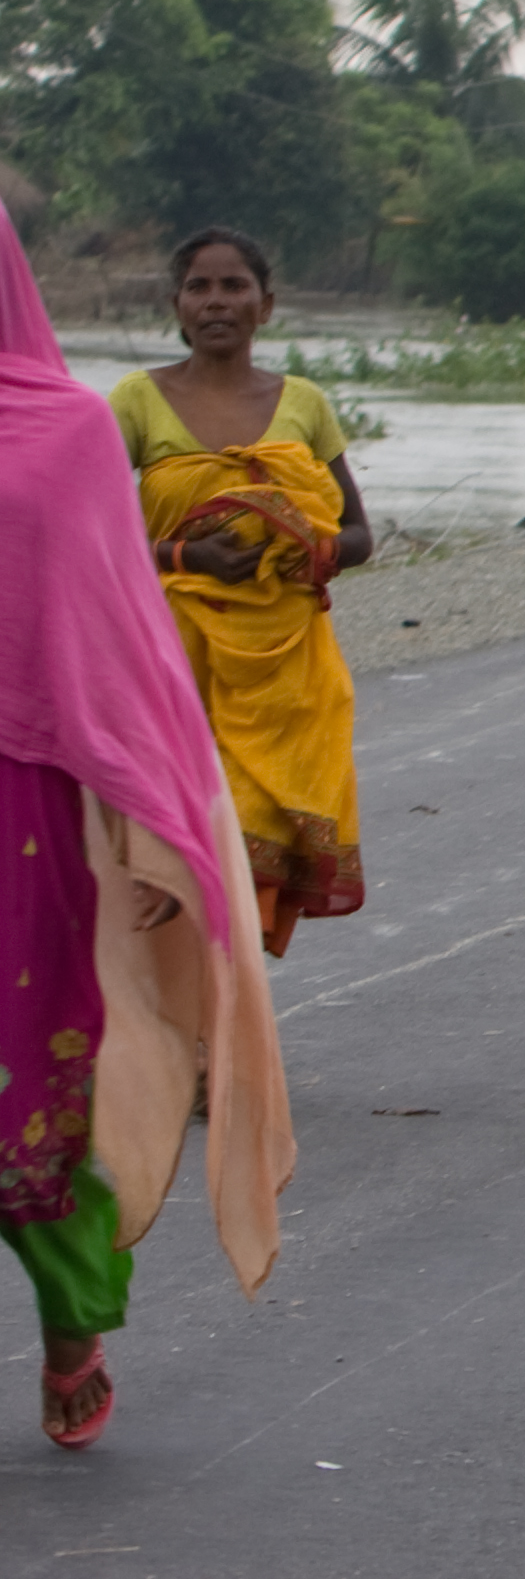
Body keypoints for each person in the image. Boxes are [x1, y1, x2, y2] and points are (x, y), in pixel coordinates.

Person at [2, 205, 294, 1452]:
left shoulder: (69, 432)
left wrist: (158, 832)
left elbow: (120, 644)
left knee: (25, 1086)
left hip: (31, 808)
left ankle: (72, 1314)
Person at [108, 228, 375, 957]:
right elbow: (89, 533)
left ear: (267, 305)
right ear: (176, 304)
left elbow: (359, 534)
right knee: (176, 846)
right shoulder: (137, 400)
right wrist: (186, 554)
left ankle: (229, 1013)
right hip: (174, 662)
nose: (217, 301)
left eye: (234, 286)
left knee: (247, 856)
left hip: (286, 672)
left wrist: (313, 549)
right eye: (199, 287)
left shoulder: (304, 404)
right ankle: (182, 1014)